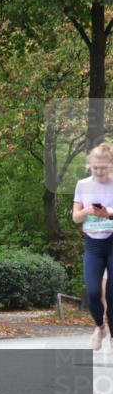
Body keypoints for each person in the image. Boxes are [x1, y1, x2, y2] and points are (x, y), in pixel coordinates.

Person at [71, 142, 113, 350]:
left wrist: (109, 213)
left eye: (103, 168)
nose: (99, 172)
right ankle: (100, 327)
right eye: (96, 168)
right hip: (93, 243)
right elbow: (76, 218)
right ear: (90, 165)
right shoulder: (83, 185)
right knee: (94, 291)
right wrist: (87, 210)